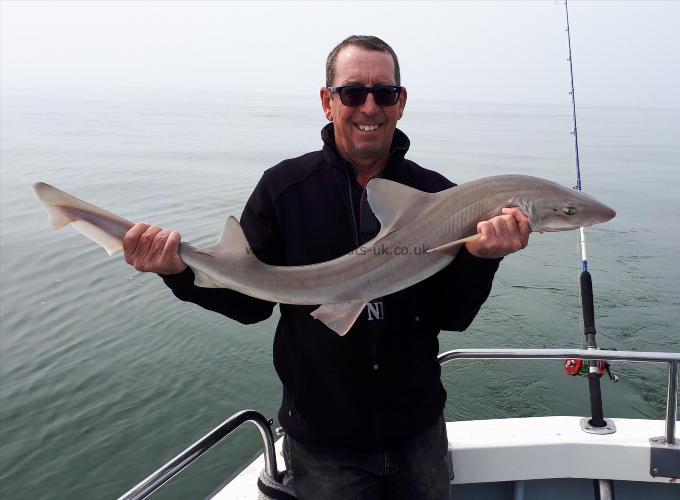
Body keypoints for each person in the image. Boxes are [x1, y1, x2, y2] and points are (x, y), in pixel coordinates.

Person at [123, 35, 529, 500]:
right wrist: (177, 270)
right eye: (353, 92)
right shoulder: (285, 188)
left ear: (401, 103)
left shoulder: (438, 198)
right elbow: (251, 304)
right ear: (327, 101)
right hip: (323, 445)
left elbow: (451, 317)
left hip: (417, 433)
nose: (369, 107)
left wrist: (483, 259)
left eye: (385, 93)